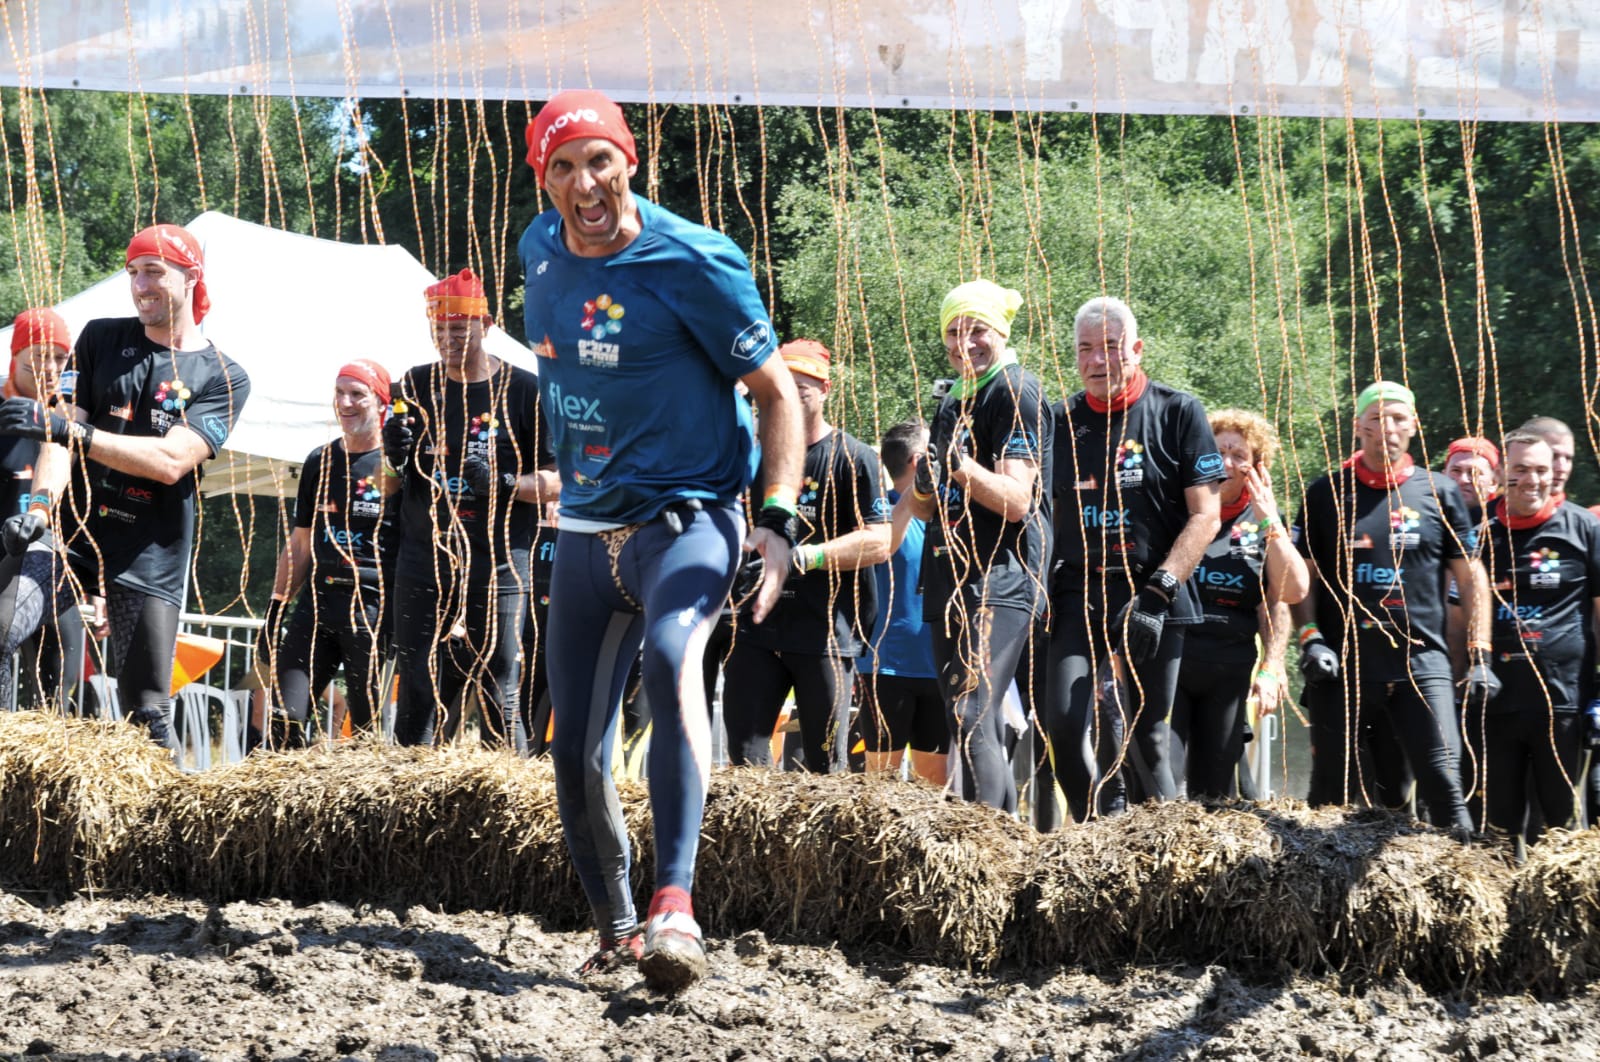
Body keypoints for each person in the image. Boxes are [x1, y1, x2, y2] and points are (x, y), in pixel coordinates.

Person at [518, 89, 803, 990]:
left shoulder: (694, 259)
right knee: (573, 748)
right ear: (544, 180)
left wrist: (778, 519)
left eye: (600, 161)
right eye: (564, 168)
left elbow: (777, 395)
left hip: (691, 517)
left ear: (630, 161)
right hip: (584, 528)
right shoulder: (536, 249)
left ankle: (674, 906)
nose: (585, 185)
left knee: (673, 659)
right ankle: (616, 930)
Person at [0, 224, 250, 753]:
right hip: (70, 536)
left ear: (191, 277)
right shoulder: (100, 338)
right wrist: (40, 508)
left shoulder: (225, 376)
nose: (140, 286)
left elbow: (170, 462)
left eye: (154, 272)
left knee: (148, 710)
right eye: (133, 273)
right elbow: (60, 439)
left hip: (148, 552)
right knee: (2, 628)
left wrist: (75, 433)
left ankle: (168, 805)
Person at [1044, 296, 1223, 822]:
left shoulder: (1178, 411)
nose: (1097, 360)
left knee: (1147, 738)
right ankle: (1092, 838)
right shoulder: (1059, 420)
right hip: (1080, 590)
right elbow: (1041, 510)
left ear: (1137, 349)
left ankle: (1164, 848)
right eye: (1085, 349)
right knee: (1063, 727)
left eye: (1111, 346)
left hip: (1152, 591)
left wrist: (1159, 591)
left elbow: (1207, 515)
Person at [1291, 381, 1487, 837]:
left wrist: (1480, 654)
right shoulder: (1325, 493)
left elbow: (1470, 576)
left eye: (1398, 418)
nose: (1388, 428)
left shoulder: (1440, 492)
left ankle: (1463, 874)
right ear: (1358, 426)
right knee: (1331, 789)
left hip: (1422, 661)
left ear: (1414, 426)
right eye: (1377, 418)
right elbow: (1302, 579)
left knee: (1443, 778)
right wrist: (1310, 638)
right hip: (1344, 665)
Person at [382, 268, 555, 752]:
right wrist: (390, 455)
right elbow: (387, 483)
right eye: (439, 329)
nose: (448, 339)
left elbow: (559, 481)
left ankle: (510, 789)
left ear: (487, 325)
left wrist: (504, 484)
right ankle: (410, 787)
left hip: (497, 565)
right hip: (424, 562)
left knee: (499, 687)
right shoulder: (414, 385)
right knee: (418, 687)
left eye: (459, 329)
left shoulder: (525, 390)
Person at [895, 279, 1052, 813]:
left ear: (1001, 332)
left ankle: (985, 842)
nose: (964, 344)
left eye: (977, 330)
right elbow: (925, 508)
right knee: (963, 719)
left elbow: (1017, 500)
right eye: (953, 333)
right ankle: (1001, 838)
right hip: (948, 576)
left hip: (1000, 576)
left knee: (973, 712)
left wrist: (959, 467)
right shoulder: (954, 400)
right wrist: (925, 483)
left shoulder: (1014, 391)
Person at [721, 340, 889, 773]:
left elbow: (879, 541)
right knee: (745, 764)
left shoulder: (854, 457)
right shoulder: (755, 455)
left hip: (825, 634)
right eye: (782, 388)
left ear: (825, 390)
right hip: (756, 629)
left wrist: (804, 558)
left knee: (825, 768)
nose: (790, 398)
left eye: (802, 389)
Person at [252, 360, 396, 751]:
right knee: (283, 720)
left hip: (372, 608)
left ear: (381, 402)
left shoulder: (396, 464)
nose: (345, 403)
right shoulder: (320, 460)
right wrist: (275, 609)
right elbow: (300, 543)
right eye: (339, 393)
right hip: (318, 603)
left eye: (357, 394)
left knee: (365, 733)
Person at [1470, 430, 1600, 851]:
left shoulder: (1585, 528)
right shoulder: (1479, 533)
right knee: (1497, 828)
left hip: (1563, 702)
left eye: (1541, 470)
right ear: (1500, 473)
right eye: (1521, 469)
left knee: (1561, 827)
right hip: (1496, 703)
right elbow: (1457, 618)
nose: (1533, 479)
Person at [1170, 409, 1308, 800]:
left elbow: (1287, 594)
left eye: (1239, 455)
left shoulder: (1265, 520)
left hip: (1230, 664)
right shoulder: (1178, 505)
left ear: (1255, 466)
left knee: (1214, 790)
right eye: (1218, 453)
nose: (1227, 463)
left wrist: (1273, 665)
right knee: (1165, 782)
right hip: (1173, 656)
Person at [0, 308, 82, 713]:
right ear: (15, 355)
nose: (50, 368)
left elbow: (82, 509)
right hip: (3, 569)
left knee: (58, 692)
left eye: (60, 358)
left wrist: (97, 590)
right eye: (39, 356)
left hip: (52, 569)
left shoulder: (71, 420)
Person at [858, 419, 948, 785]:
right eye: (934, 455)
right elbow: (885, 546)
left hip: (937, 666)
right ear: (918, 460)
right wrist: (916, 492)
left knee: (935, 782)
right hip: (887, 668)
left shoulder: (946, 513)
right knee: (880, 780)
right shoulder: (879, 512)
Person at [1443, 436, 1499, 523]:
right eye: (1456, 471)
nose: (1463, 480)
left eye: (1474, 473)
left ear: (1493, 483)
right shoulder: (1430, 521)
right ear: (1443, 476)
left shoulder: (1506, 525)